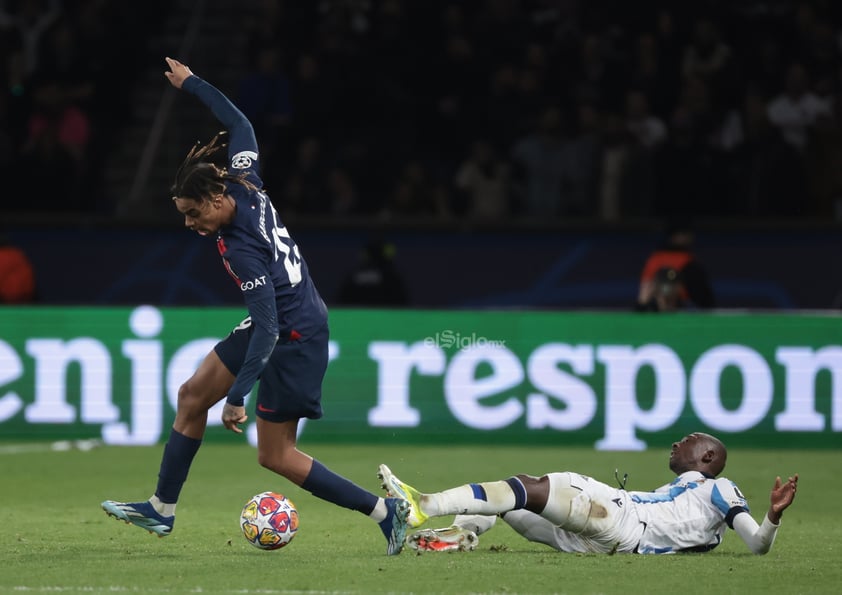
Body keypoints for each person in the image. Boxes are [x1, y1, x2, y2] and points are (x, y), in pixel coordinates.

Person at [101, 57, 410, 556]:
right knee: (191, 396)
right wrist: (193, 84)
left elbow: (267, 327)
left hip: (295, 334)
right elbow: (240, 124)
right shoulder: (246, 178)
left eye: (193, 212)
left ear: (215, 196)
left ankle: (383, 511)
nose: (189, 224)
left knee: (276, 456)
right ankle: (162, 508)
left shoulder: (240, 248)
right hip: (280, 318)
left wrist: (239, 395)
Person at [378, 432, 798, 555]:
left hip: (621, 519)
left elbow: (758, 544)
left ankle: (421, 506)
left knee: (526, 487)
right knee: (513, 498)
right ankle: (459, 534)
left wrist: (772, 517)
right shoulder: (684, 492)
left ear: (708, 456)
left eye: (687, 441)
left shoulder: (720, 488)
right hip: (610, 545)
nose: (676, 444)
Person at [636, 221, 716, 310]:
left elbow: (705, 302)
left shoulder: (689, 262)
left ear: (679, 286)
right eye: (684, 234)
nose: (667, 288)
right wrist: (642, 306)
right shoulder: (656, 260)